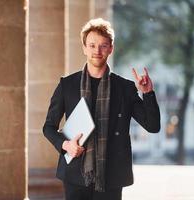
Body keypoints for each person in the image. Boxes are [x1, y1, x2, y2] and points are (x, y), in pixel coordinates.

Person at [43, 18, 160, 200]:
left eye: (103, 45)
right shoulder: (67, 85)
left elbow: (153, 126)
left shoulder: (125, 88)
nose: (97, 51)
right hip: (75, 172)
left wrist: (148, 94)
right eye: (92, 45)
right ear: (84, 48)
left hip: (112, 174)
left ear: (111, 48)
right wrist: (66, 145)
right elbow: (48, 127)